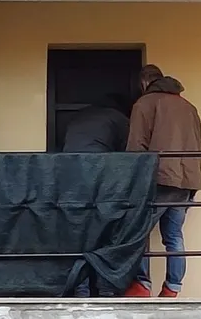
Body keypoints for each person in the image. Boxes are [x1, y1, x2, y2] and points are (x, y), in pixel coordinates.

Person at [124, 64, 201, 298]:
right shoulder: (189, 108)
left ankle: (141, 285)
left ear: (144, 83)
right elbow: (198, 147)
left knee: (138, 233)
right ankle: (172, 288)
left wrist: (130, 182)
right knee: (174, 236)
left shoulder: (144, 104)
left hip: (157, 179)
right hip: (186, 180)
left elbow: (136, 147)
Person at [61, 93, 130, 297]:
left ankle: (80, 289)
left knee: (78, 234)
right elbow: (131, 153)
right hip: (99, 177)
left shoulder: (79, 117)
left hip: (68, 177)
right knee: (105, 232)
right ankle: (106, 290)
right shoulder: (118, 118)